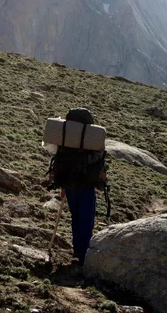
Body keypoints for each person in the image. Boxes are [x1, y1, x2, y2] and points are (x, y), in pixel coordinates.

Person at [44, 107, 107, 266]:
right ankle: (82, 254)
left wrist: (62, 184)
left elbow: (56, 157)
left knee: (76, 217)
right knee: (86, 219)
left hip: (68, 183)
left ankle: (77, 250)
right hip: (86, 185)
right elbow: (98, 160)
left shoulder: (65, 140)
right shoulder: (89, 142)